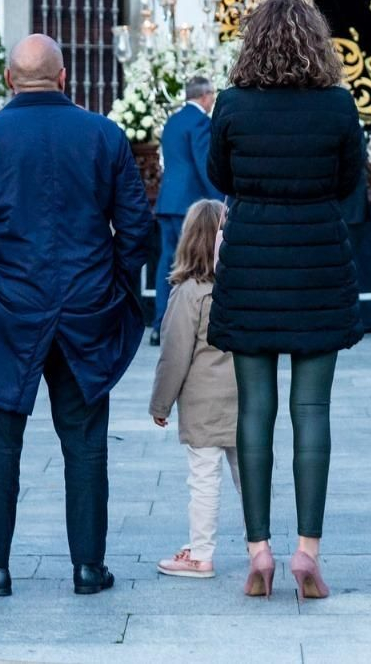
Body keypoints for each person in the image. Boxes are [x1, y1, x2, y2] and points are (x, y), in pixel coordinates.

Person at [0, 34, 153, 599]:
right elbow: (137, 228)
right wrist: (115, 285)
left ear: (10, 80)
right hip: (86, 305)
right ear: (64, 78)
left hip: (4, 309)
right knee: (85, 442)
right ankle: (89, 567)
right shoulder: (103, 134)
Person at [208, 0, 367, 601]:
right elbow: (349, 179)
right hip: (317, 260)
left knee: (254, 407)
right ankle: (308, 551)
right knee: (312, 409)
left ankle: (258, 551)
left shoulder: (232, 104)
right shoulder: (337, 105)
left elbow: (219, 175)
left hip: (251, 259)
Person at [148, 199, 238, 579]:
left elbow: (174, 355)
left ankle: (200, 554)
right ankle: (260, 546)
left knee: (203, 479)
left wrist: (161, 404)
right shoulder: (240, 287)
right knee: (250, 477)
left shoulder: (189, 292)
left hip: (203, 405)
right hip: (245, 399)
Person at [152, 76, 223, 346]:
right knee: (195, 264)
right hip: (190, 205)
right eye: (212, 95)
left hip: (168, 202)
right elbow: (205, 164)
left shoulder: (172, 121)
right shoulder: (200, 122)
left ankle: (159, 324)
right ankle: (189, 325)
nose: (213, 100)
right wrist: (221, 201)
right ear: (204, 96)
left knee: (166, 262)